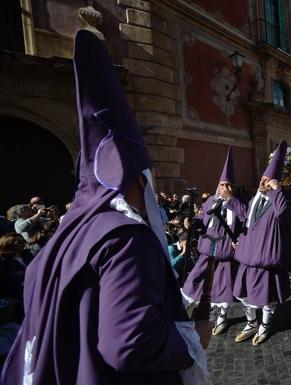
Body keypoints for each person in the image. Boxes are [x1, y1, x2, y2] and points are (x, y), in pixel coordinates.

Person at [0, 30, 207, 385]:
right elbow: (129, 342)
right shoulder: (127, 237)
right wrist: (190, 342)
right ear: (137, 179)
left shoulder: (69, 232)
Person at [232, 141, 291, 345]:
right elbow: (245, 217)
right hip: (247, 258)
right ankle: (251, 323)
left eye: (269, 180)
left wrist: (276, 190)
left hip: (266, 260)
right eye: (263, 178)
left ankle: (265, 325)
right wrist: (229, 200)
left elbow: (283, 214)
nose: (264, 182)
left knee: (267, 299)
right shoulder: (254, 200)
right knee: (242, 294)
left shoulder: (280, 200)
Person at [182, 146, 247, 335]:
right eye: (221, 185)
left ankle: (222, 317)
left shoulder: (239, 203)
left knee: (223, 287)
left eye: (227, 185)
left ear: (232, 187)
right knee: (196, 280)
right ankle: (190, 308)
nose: (223, 189)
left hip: (226, 251)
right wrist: (191, 222)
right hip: (207, 249)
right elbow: (202, 220)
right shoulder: (210, 201)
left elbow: (245, 219)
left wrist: (231, 200)